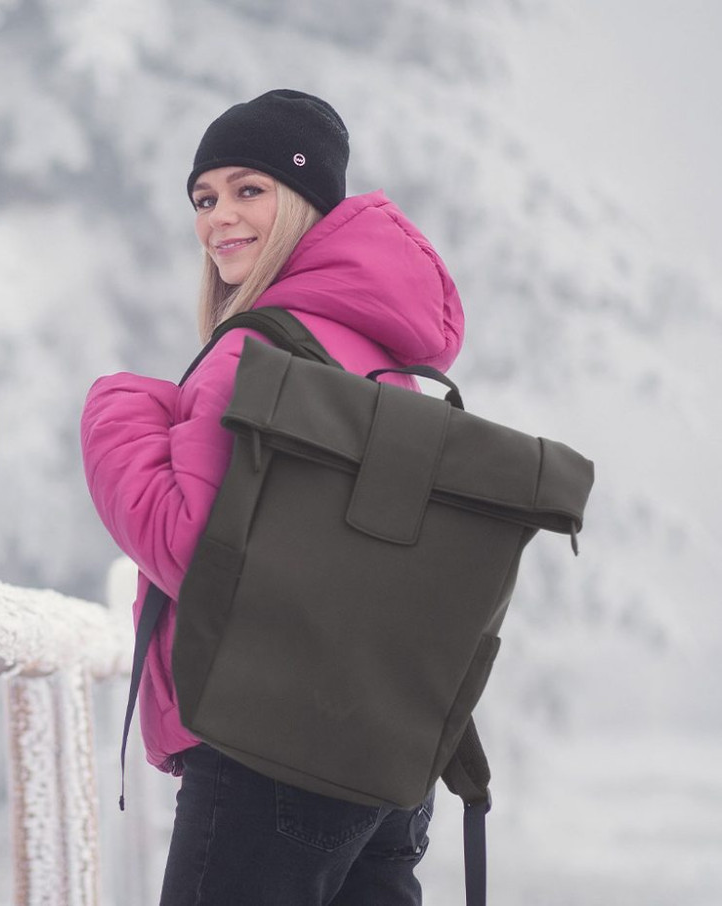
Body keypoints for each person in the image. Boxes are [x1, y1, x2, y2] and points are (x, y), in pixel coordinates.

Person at [79, 89, 465, 905]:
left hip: (270, 748)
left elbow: (197, 552)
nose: (219, 217)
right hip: (387, 750)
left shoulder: (257, 348)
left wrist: (118, 413)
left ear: (304, 202)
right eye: (204, 197)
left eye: (248, 189)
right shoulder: (379, 355)